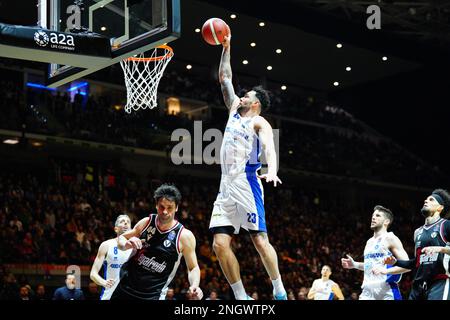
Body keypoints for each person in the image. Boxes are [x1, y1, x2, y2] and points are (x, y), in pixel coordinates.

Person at [208, 32, 286, 300]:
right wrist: (227, 47)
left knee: (260, 242)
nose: (240, 95)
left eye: (247, 95)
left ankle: (279, 289)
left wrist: (273, 170)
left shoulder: (258, 122)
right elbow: (225, 78)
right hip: (225, 187)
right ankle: (241, 296)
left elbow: (269, 147)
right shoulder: (233, 109)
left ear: (255, 104)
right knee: (219, 245)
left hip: (247, 184)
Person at [111, 184, 203, 300]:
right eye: (161, 207)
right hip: (125, 288)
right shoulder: (146, 222)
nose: (165, 212)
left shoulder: (184, 236)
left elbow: (193, 267)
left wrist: (194, 285)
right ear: (156, 205)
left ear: (176, 208)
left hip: (153, 295)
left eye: (169, 207)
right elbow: (121, 238)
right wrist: (126, 243)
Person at [381, 189, 450, 300]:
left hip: (439, 282)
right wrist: (395, 262)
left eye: (431, 199)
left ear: (440, 208)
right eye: (426, 199)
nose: (426, 201)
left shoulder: (446, 225)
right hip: (418, 286)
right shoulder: (417, 232)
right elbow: (417, 262)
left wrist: (441, 249)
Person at [341, 205, 409, 300]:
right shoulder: (369, 242)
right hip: (367, 291)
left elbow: (407, 265)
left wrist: (385, 271)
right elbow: (370, 266)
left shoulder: (390, 238)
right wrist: (355, 265)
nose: (373, 217)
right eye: (373, 215)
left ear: (386, 221)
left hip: (387, 291)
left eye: (378, 216)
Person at [90, 214, 133, 300]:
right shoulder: (106, 245)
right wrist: (104, 282)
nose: (125, 223)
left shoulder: (135, 247)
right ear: (116, 229)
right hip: (109, 296)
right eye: (122, 221)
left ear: (131, 229)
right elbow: (93, 274)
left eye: (128, 222)